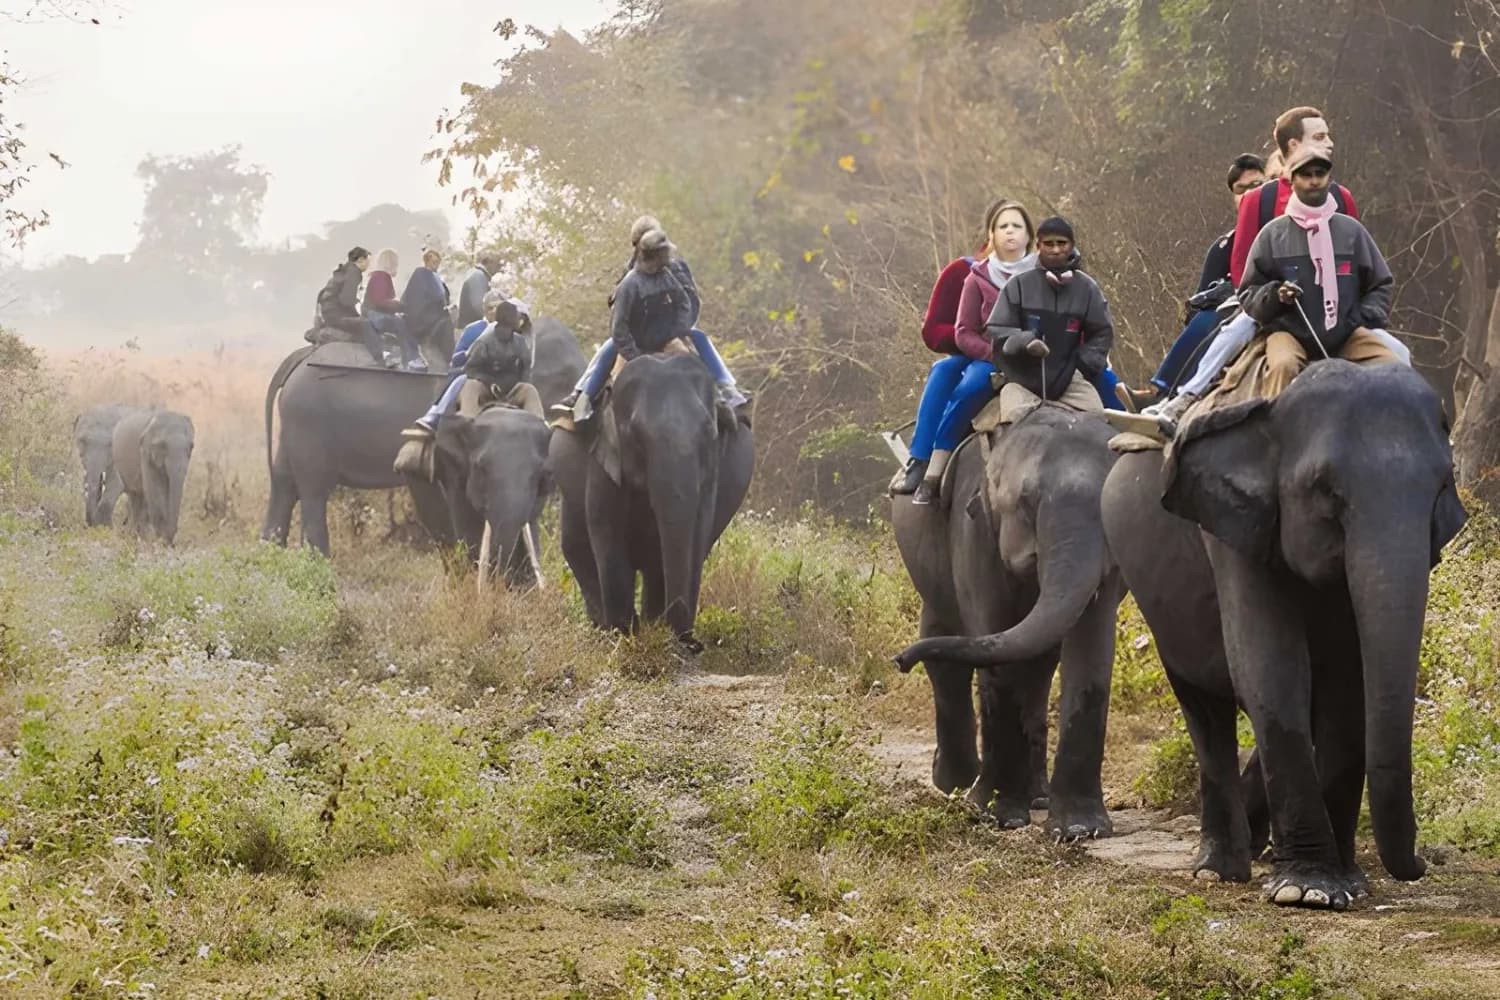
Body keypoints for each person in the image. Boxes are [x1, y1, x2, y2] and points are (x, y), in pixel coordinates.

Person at [892, 199, 1036, 501]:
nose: (1009, 234)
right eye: (1002, 227)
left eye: (1016, 227)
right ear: (989, 236)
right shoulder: (965, 273)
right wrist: (976, 340)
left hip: (1027, 354)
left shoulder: (1040, 274)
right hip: (975, 352)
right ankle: (922, 458)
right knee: (947, 371)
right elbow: (935, 329)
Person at [1233, 148, 1399, 398]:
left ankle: (1406, 433)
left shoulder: (1352, 232)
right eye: (1306, 174)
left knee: (1395, 367)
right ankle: (1278, 432)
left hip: (1346, 335)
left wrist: (1359, 318)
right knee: (1282, 367)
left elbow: (1381, 283)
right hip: (1290, 334)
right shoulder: (1272, 234)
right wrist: (1277, 296)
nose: (1313, 181)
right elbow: (1248, 292)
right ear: (1292, 180)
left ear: (1329, 179)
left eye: (1320, 174)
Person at [555, 219, 743, 421]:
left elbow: (689, 302)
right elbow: (619, 320)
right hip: (637, 338)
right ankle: (583, 394)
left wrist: (676, 330)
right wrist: (634, 352)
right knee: (610, 346)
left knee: (699, 338)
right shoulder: (631, 276)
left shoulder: (673, 269)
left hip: (669, 333)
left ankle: (724, 388)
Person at [1143, 153, 1267, 398]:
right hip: (1232, 312)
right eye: (1240, 189)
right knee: (1205, 319)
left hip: (1270, 304)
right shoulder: (1224, 246)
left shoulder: (1286, 229)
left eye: (1256, 186)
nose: (1248, 195)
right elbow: (1200, 300)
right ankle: (1164, 392)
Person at [986, 215, 1112, 424]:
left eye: (1062, 244)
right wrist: (1025, 342)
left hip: (1069, 379)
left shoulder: (1087, 288)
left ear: (1072, 246)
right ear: (1038, 245)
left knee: (1099, 422)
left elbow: (1102, 333)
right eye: (1049, 244)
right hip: (1020, 381)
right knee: (1015, 428)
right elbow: (999, 328)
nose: (1055, 250)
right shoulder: (1018, 284)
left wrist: (1081, 365)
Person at [410, 289, 531, 433]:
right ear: (484, 310)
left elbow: (525, 364)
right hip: (474, 372)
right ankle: (436, 414)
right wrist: (468, 353)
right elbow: (458, 360)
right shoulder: (475, 330)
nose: (493, 311)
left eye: (497, 307)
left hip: (505, 380)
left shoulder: (518, 336)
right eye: (490, 307)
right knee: (461, 380)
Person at [313, 246, 397, 368]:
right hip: (337, 315)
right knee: (367, 325)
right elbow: (347, 301)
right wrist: (357, 318)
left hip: (330, 314)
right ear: (361, 260)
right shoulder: (354, 273)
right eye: (368, 261)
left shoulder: (344, 271)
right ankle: (382, 358)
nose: (368, 265)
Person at [362, 248, 426, 371]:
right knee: (400, 324)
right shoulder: (381, 277)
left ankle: (399, 356)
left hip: (374, 314)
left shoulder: (379, 277)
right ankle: (413, 358)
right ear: (390, 263)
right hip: (374, 315)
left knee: (399, 322)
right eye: (395, 264)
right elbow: (380, 301)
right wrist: (401, 306)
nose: (397, 267)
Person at [402, 248, 454, 360]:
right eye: (434, 262)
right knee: (446, 323)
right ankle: (450, 358)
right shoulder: (421, 274)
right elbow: (421, 300)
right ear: (427, 261)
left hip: (432, 313)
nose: (436, 266)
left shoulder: (435, 277)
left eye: (438, 263)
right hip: (422, 317)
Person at [459, 250, 503, 328]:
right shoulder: (478, 276)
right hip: (471, 328)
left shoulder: (477, 274)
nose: (498, 269)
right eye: (497, 265)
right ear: (490, 262)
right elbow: (479, 306)